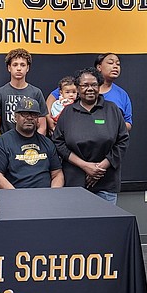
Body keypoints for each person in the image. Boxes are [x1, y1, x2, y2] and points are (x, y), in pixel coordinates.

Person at [52, 67, 129, 204]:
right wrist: (85, 166)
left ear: (99, 86)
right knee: (76, 224)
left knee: (105, 224)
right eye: (85, 85)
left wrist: (100, 168)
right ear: (77, 88)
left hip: (106, 182)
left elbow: (122, 141)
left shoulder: (112, 110)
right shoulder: (68, 112)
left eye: (94, 85)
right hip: (75, 183)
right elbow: (59, 142)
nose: (90, 89)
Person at [0, 97, 63, 189]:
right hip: (15, 196)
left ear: (38, 119)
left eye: (34, 115)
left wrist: (53, 193)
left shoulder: (47, 143)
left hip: (45, 197)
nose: (29, 118)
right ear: (15, 117)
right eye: (24, 114)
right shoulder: (1, 143)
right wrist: (14, 194)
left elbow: (57, 174)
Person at [46, 53, 132, 130]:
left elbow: (128, 123)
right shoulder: (76, 85)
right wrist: (49, 120)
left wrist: (108, 126)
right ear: (99, 67)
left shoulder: (122, 94)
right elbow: (52, 97)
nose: (115, 66)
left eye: (118, 64)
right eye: (110, 63)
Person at [0, 48, 48, 135]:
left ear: (27, 68)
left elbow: (42, 126)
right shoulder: (0, 93)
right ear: (9, 68)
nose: (19, 68)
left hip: (30, 143)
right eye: (15, 65)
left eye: (23, 65)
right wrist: (2, 145)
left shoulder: (36, 93)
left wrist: (35, 145)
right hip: (7, 144)